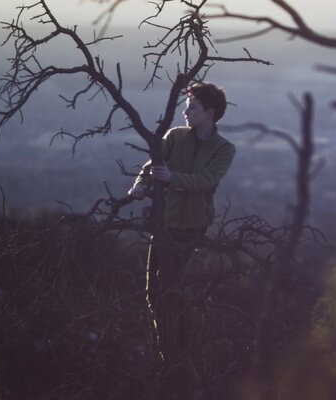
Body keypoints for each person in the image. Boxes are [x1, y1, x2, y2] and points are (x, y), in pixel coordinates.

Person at [127, 82, 235, 399]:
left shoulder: (224, 149)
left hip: (190, 228)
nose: (186, 111)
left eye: (193, 107)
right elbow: (151, 167)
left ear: (211, 113)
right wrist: (139, 186)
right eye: (187, 106)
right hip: (163, 224)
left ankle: (179, 353)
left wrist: (172, 178)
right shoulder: (174, 136)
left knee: (170, 290)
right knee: (153, 291)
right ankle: (168, 354)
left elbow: (207, 181)